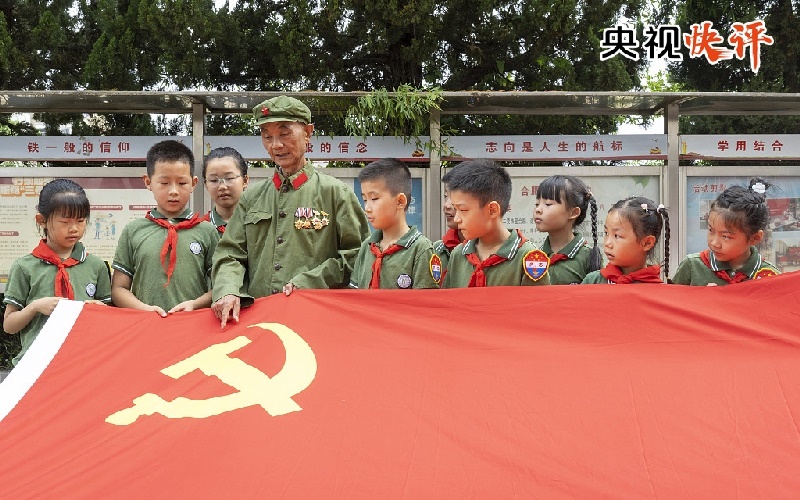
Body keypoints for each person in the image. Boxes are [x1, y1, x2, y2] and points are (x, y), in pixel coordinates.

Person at [211, 95, 369, 327]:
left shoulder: (336, 193)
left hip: (316, 320)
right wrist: (228, 289)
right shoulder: (251, 198)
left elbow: (358, 256)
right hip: (259, 321)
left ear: (307, 133)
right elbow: (230, 254)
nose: (275, 145)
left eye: (284, 133)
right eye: (267, 136)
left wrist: (311, 281)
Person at [2, 179, 111, 366]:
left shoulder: (96, 265)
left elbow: (109, 321)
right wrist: (35, 307)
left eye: (80, 221)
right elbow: (9, 325)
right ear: (42, 220)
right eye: (65, 222)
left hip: (84, 363)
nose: (74, 228)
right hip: (36, 364)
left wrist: (96, 309)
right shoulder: (24, 267)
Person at [111, 140, 218, 316]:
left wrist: (195, 304)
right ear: (148, 182)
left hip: (192, 324)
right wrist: (144, 309)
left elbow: (222, 285)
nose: (173, 191)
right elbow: (118, 288)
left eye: (182, 183)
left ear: (193, 183)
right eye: (164, 183)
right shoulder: (133, 230)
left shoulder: (207, 231)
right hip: (146, 324)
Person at [441, 159, 550, 288]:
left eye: (463, 210)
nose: (457, 219)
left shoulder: (528, 257)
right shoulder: (459, 254)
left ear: (492, 210)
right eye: (456, 209)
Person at [349, 158, 440, 289]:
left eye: (374, 198)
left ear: (400, 201)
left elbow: (425, 300)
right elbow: (354, 294)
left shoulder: (420, 249)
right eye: (365, 199)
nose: (367, 208)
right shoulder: (367, 246)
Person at [672, 178, 779, 285]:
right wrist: (702, 295)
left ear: (755, 237)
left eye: (726, 236)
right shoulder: (693, 266)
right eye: (711, 230)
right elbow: (673, 295)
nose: (714, 243)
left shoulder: (770, 276)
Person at [582, 197, 670, 284]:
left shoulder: (657, 289)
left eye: (617, 236)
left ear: (647, 243)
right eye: (606, 233)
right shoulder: (593, 281)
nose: (607, 243)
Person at [534, 175, 602, 284]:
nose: (538, 209)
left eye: (548, 204)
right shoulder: (535, 255)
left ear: (573, 212)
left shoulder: (587, 256)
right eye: (537, 204)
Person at [202, 146, 249, 235]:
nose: (222, 187)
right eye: (214, 180)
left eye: (229, 178)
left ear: (245, 180)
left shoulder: (258, 224)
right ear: (206, 184)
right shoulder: (200, 228)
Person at [431, 167, 464, 280]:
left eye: (455, 198)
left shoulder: (487, 251)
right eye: (446, 196)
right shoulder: (437, 249)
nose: (446, 205)